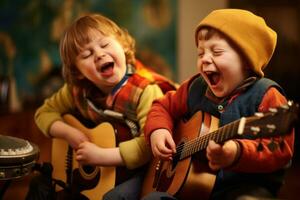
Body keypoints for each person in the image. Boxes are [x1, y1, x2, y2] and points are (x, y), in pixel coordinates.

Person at [142, 9, 295, 200]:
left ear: (247, 60)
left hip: (245, 188)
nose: (205, 59)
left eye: (217, 52)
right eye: (200, 53)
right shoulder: (195, 86)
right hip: (190, 188)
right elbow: (162, 106)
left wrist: (236, 153)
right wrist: (158, 130)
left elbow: (280, 148)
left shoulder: (266, 95)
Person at [26, 13, 176, 200]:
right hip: (99, 171)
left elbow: (147, 145)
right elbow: (43, 113)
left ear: (122, 45)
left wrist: (100, 156)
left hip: (142, 169)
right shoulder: (77, 90)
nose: (99, 54)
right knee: (42, 187)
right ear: (78, 72)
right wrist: (69, 133)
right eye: (87, 55)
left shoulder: (146, 90)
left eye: (105, 45)